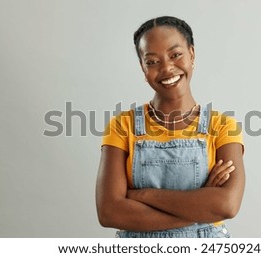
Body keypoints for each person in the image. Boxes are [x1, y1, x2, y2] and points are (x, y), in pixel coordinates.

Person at [96, 16, 245, 238]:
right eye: (152, 61)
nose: (166, 68)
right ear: (142, 67)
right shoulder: (121, 126)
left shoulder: (223, 126)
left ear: (192, 54)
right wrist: (201, 204)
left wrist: (142, 195)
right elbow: (109, 213)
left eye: (175, 55)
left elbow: (227, 206)